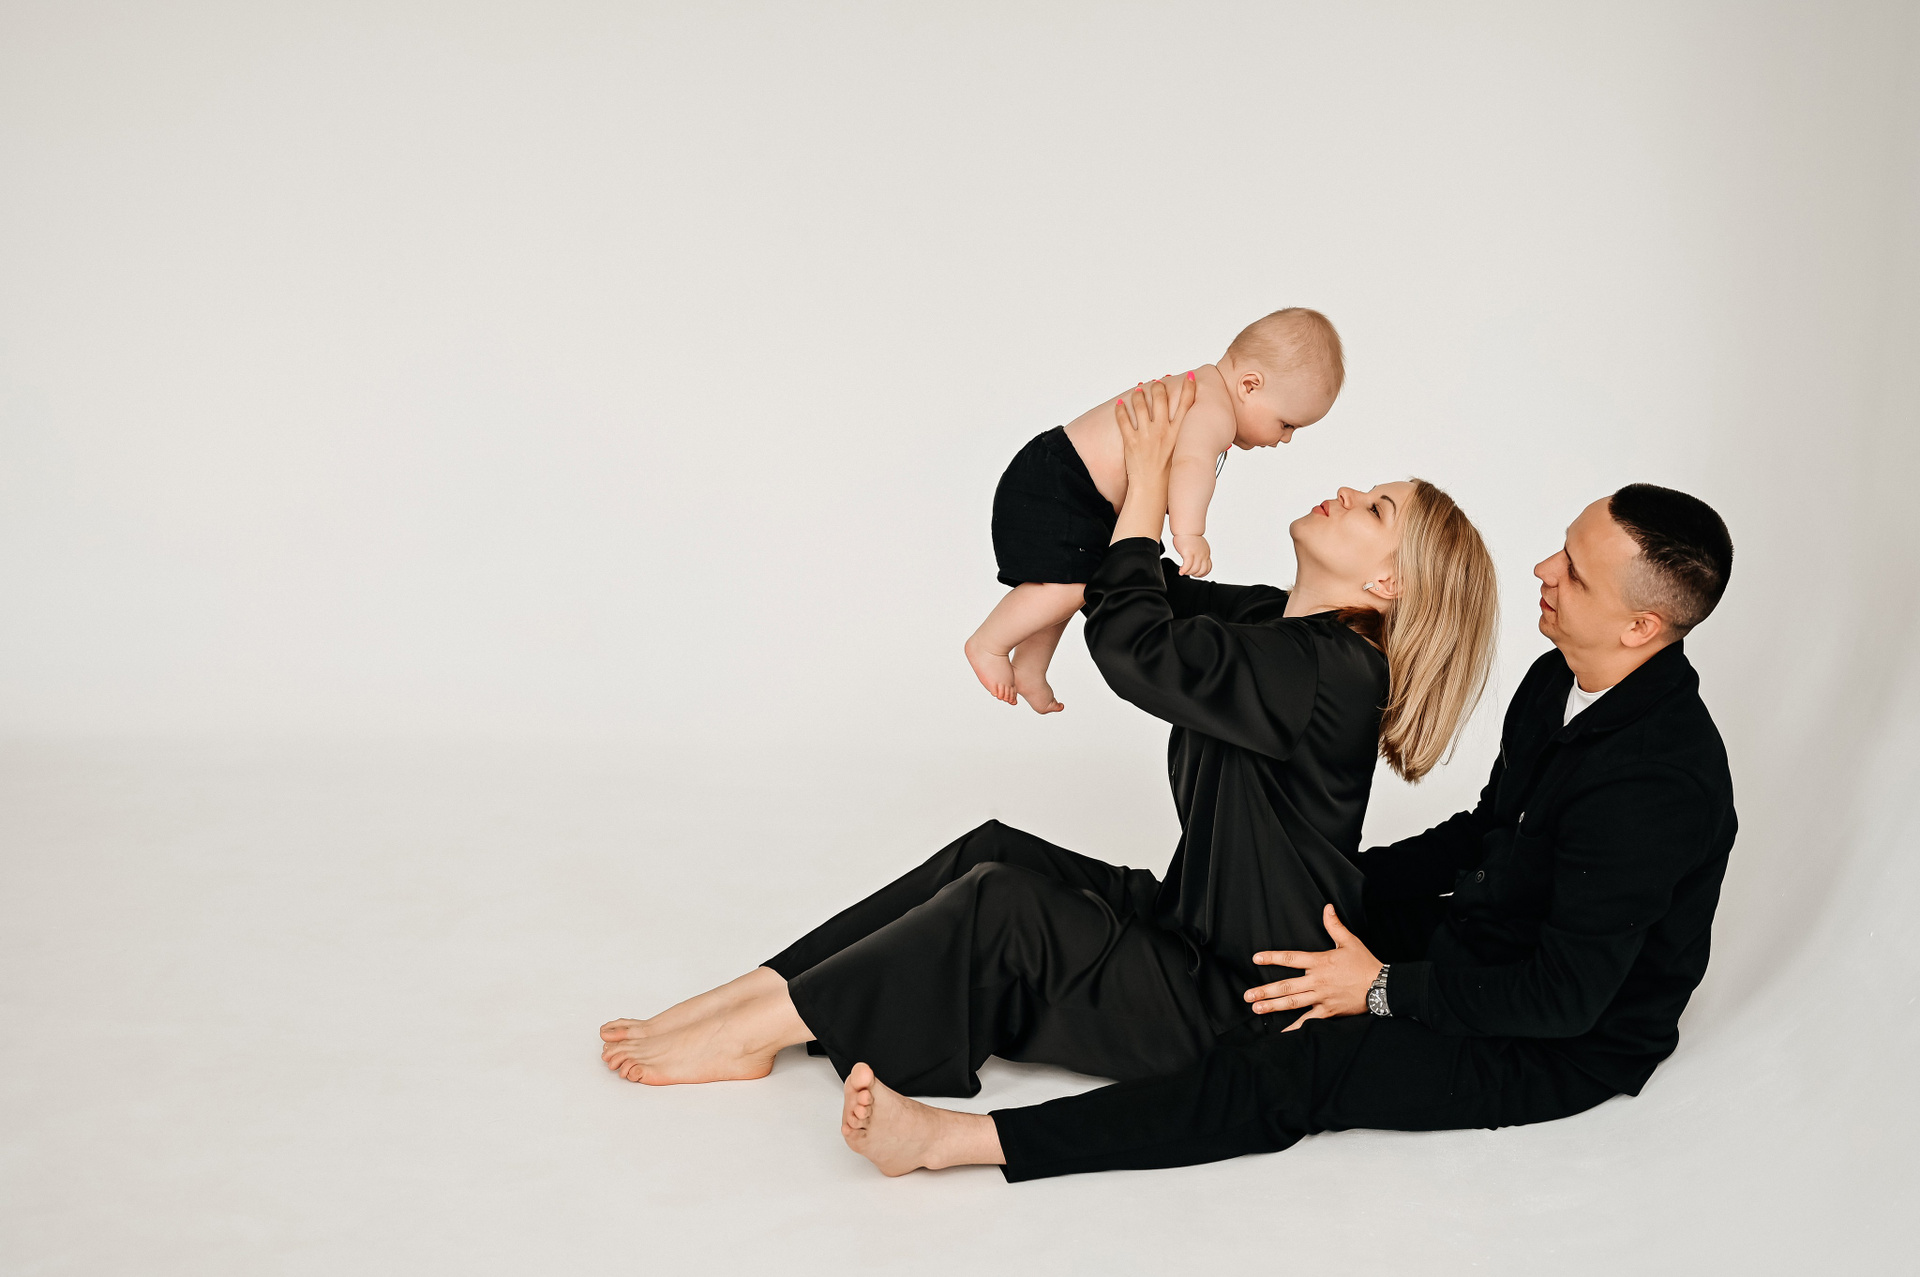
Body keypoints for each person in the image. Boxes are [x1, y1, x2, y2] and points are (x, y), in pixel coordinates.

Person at [598, 376, 1498, 1097]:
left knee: (1002, 904)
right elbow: (1125, 586)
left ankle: (753, 1034)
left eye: (1375, 510)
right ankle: (750, 997)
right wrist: (1122, 456)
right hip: (1190, 928)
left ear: (1388, 585)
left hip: (1233, 1002)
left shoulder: (1333, 670)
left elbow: (1134, 644)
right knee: (988, 851)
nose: (1348, 491)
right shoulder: (1275, 624)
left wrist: (1154, 482)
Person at [835, 482, 1739, 1180]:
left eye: (1574, 571)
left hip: (1555, 1036)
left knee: (1293, 1066)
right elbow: (1483, 835)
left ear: (1640, 625)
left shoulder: (1658, 782)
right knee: (1290, 935)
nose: (1544, 567)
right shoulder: (1557, 682)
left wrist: (1378, 988)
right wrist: (1334, 886)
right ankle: (856, 990)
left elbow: (1563, 997)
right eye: (1563, 546)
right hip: (1482, 937)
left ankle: (960, 1141)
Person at [966, 308, 1345, 714]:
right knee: (1072, 586)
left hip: (1076, 488)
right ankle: (989, 644)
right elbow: (1191, 466)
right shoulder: (1213, 410)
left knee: (1070, 582)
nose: (1286, 439)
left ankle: (1030, 665)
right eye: (1287, 424)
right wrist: (1190, 533)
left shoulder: (1204, 388)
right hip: (1062, 484)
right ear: (1250, 385)